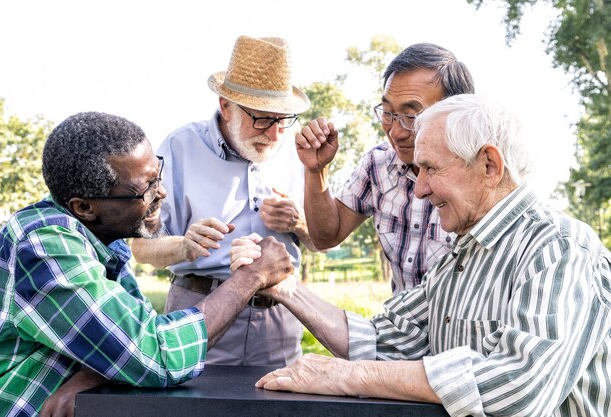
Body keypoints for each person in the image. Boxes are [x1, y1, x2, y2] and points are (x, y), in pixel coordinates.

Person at [232, 94, 611, 416]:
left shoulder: (559, 249)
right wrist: (283, 285)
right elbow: (386, 341)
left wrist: (348, 376)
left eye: (431, 168)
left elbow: (518, 386)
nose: (420, 190)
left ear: (489, 165)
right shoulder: (460, 256)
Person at [0, 112, 294, 417]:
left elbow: (132, 331)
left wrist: (94, 374)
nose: (160, 192)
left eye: (158, 176)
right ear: (85, 207)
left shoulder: (105, 238)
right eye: (145, 188)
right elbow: (157, 355)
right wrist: (252, 276)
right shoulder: (44, 246)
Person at [131, 35, 314, 366]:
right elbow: (140, 247)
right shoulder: (179, 148)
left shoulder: (296, 152)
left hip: (279, 320)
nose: (274, 134)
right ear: (226, 105)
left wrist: (300, 223)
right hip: (199, 310)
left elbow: (322, 241)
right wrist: (184, 245)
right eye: (261, 118)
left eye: (282, 120)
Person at [296, 43, 474, 293]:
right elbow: (326, 236)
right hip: (397, 330)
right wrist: (316, 171)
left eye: (411, 117)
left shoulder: (481, 177)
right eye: (388, 113)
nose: (396, 131)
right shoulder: (378, 165)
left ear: (456, 112)